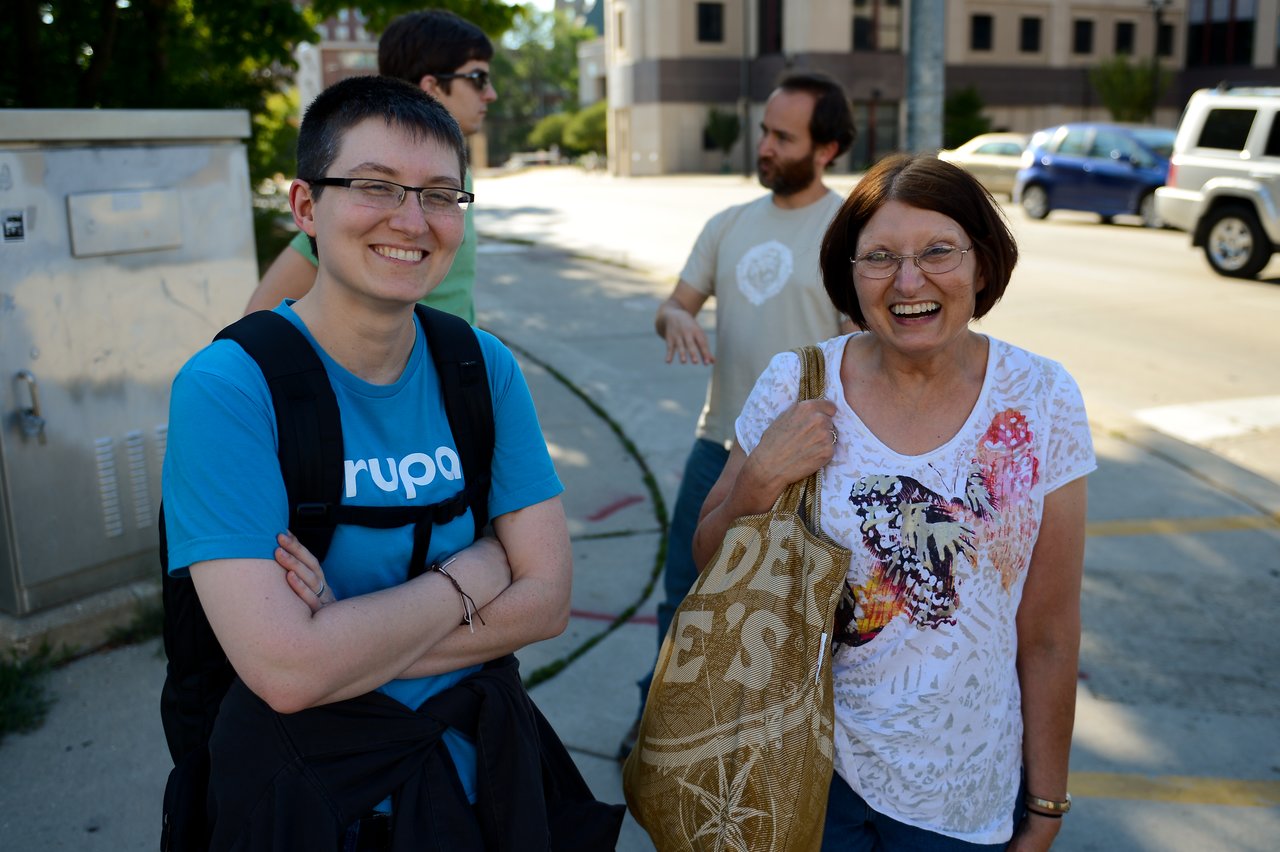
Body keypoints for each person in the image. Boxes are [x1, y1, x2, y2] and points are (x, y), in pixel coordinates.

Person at [162, 75, 620, 850]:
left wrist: (337, 632)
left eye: (442, 195)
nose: (414, 221)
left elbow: (546, 602)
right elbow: (286, 674)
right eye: (376, 186)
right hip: (315, 801)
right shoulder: (229, 388)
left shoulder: (481, 367)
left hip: (488, 785)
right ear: (307, 208)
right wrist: (472, 574)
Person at [692, 153, 1094, 850]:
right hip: (805, 775)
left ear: (983, 263)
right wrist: (760, 479)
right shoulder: (799, 383)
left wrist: (1047, 805)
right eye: (879, 257)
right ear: (849, 275)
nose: (910, 281)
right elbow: (706, 561)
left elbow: (1051, 629)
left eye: (938, 251)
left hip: (962, 798)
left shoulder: (1042, 398)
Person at [619, 70, 857, 759]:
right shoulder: (727, 224)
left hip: (815, 459)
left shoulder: (848, 230)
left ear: (828, 148)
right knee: (682, 595)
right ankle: (659, 721)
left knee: (790, 616)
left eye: (783, 137)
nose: (764, 147)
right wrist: (674, 322)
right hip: (718, 442)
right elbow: (675, 303)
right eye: (764, 131)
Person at [243, 8, 497, 322]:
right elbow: (260, 313)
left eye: (440, 195)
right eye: (478, 79)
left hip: (454, 366)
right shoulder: (352, 190)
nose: (491, 94)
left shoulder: (460, 176)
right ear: (432, 87)